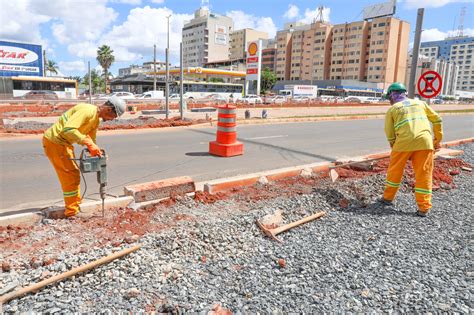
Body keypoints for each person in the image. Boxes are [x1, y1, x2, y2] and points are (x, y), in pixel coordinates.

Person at [42, 96, 126, 217]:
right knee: (70, 176)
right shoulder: (87, 111)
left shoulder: (95, 119)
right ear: (109, 109)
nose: (112, 119)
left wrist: (97, 152)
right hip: (55, 142)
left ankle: (74, 205)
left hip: (64, 144)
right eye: (114, 116)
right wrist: (87, 142)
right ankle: (71, 212)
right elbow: (68, 129)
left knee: (74, 174)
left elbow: (91, 139)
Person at [381, 82, 443, 217]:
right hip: (425, 143)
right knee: (424, 174)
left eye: (389, 98)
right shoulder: (420, 103)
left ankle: (387, 198)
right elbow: (437, 120)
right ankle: (424, 208)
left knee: (394, 171)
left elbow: (389, 131)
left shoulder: (393, 109)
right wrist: (437, 140)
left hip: (402, 144)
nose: (389, 101)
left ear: (392, 95)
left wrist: (394, 145)